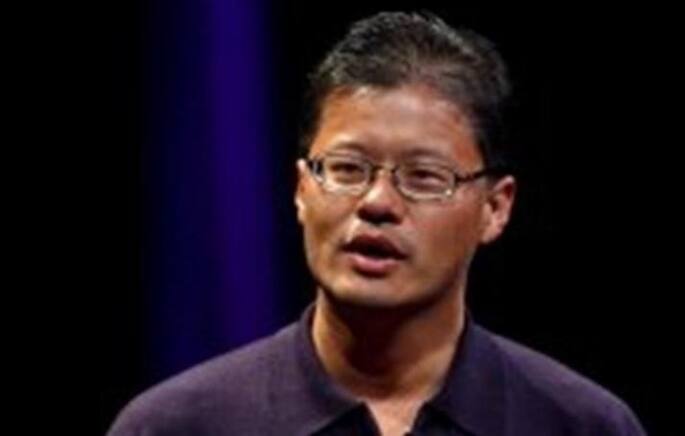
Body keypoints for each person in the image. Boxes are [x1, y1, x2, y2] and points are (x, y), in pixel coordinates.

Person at [108, 11, 646, 436]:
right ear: (300, 189)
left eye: (424, 176)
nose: (377, 202)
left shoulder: (580, 424)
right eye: (347, 169)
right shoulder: (176, 425)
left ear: (495, 208)